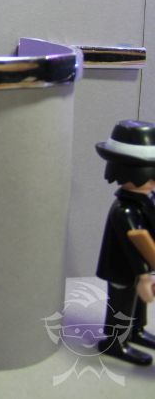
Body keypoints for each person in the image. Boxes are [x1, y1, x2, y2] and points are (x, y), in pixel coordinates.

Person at [95, 119, 155, 366]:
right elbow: (135, 243)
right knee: (122, 304)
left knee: (139, 303)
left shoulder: (145, 202)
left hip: (141, 267)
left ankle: (136, 330)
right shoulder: (125, 210)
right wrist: (143, 275)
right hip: (122, 268)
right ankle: (115, 342)